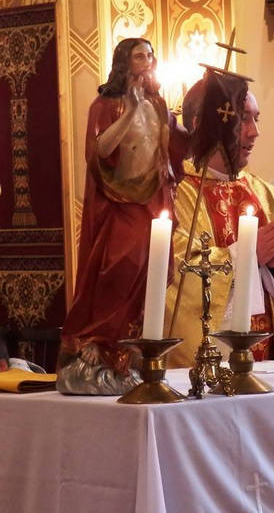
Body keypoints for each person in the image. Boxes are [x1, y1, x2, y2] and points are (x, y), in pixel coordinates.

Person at [164, 79, 274, 366]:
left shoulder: (270, 197)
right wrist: (244, 256)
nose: (255, 132)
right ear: (201, 124)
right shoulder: (173, 195)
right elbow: (170, 272)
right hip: (207, 373)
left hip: (273, 371)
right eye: (243, 119)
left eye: (256, 119)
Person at [57, 38, 188, 395]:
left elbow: (173, 145)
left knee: (148, 273)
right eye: (140, 56)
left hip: (151, 200)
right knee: (118, 267)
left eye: (150, 55)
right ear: (124, 63)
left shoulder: (158, 103)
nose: (148, 61)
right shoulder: (105, 105)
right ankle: (97, 341)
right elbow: (99, 150)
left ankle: (129, 352)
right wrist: (130, 109)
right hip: (120, 201)